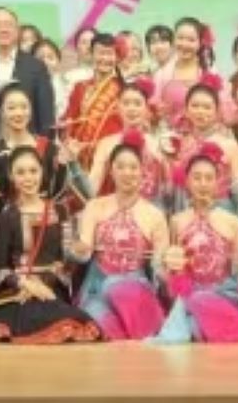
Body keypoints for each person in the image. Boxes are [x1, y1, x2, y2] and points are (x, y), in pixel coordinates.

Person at [0, 147, 98, 344]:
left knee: (76, 323)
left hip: (52, 290)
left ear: (42, 172)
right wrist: (25, 284)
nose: (28, 178)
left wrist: (79, 251)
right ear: (11, 176)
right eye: (21, 172)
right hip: (20, 292)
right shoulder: (8, 216)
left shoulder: (60, 211)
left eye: (33, 171)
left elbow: (68, 259)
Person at [68, 142, 169, 341]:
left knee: (119, 287)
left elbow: (160, 266)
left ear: (142, 171)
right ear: (111, 171)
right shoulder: (95, 207)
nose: (127, 173)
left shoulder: (155, 215)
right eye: (120, 167)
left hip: (134, 288)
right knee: (99, 320)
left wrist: (169, 267)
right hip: (97, 287)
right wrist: (77, 249)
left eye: (133, 167)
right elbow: (84, 252)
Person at [152, 149, 238, 344]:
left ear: (217, 183)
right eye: (197, 178)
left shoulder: (233, 222)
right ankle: (215, 328)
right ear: (187, 182)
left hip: (224, 293)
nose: (203, 184)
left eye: (209, 178)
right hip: (190, 294)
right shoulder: (177, 221)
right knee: (192, 323)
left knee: (196, 308)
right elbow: (173, 267)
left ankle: (229, 322)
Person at [0, 7, 57, 142]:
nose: (4, 29)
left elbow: (46, 115)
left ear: (17, 31)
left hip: (28, 147)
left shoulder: (36, 66)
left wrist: (44, 148)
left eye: (8, 24)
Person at [60, 33, 146, 150]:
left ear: (117, 57)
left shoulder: (125, 89)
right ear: (91, 54)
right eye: (101, 53)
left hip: (116, 151)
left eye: (110, 53)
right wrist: (69, 140)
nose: (105, 58)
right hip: (83, 152)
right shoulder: (80, 87)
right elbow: (69, 121)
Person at [83, 90, 172, 204]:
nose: (131, 108)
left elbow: (169, 188)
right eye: (126, 103)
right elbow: (91, 189)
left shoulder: (158, 143)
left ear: (146, 108)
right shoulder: (106, 144)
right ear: (118, 108)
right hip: (116, 209)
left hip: (152, 210)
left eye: (137, 103)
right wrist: (72, 163)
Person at [167, 85, 238, 210]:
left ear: (217, 112)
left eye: (207, 107)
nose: (200, 111)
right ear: (186, 110)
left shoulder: (229, 145)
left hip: (220, 209)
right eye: (195, 106)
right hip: (183, 206)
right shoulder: (176, 143)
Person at [150, 19, 217, 125]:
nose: (184, 44)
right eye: (180, 38)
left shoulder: (210, 72)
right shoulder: (161, 74)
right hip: (169, 131)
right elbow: (152, 109)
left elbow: (218, 109)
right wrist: (157, 112)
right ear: (174, 40)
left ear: (200, 43)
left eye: (191, 40)